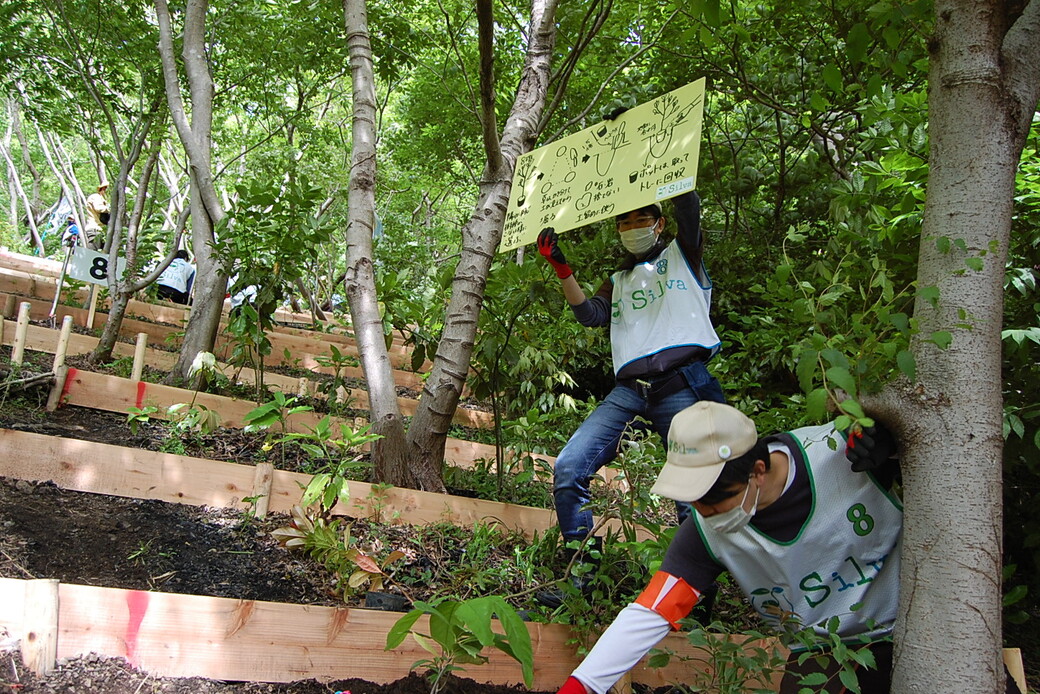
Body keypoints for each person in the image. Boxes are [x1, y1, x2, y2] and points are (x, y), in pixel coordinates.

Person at [555, 400, 905, 694]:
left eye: (714, 502)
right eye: (695, 502)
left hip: (908, 629)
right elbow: (653, 611)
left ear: (757, 471)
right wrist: (581, 685)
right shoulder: (706, 533)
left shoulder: (846, 452)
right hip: (820, 651)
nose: (703, 514)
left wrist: (892, 449)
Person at [534, 190, 726, 607]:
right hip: (629, 391)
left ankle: (693, 596)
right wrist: (561, 268)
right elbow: (592, 316)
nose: (632, 227)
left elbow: (689, 206)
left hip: (681, 385)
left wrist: (670, 167)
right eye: (624, 222)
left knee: (690, 492)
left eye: (641, 218)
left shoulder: (683, 254)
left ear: (659, 222)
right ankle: (581, 576)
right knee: (569, 467)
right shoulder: (617, 279)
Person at [85, 183, 110, 247]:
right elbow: (98, 208)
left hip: (100, 230)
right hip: (95, 228)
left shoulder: (102, 199)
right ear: (103, 189)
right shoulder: (96, 197)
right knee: (92, 253)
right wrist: (110, 209)